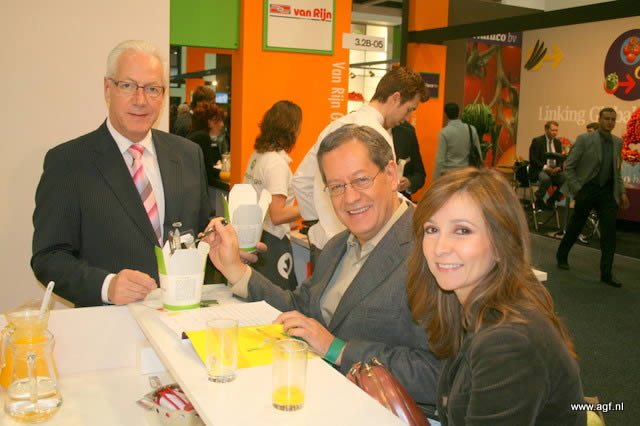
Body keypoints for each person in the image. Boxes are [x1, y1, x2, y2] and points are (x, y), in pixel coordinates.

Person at [207, 124, 441, 415]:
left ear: (392, 175)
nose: (350, 198)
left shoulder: (432, 251)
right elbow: (300, 311)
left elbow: (438, 373)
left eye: (361, 180)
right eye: (337, 186)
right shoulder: (337, 246)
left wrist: (338, 349)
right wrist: (235, 269)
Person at [31, 40, 228, 307]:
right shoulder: (68, 162)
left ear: (163, 95)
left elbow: (200, 229)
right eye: (128, 86)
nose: (140, 100)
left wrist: (225, 245)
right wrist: (106, 285)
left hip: (182, 314)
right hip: (110, 321)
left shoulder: (188, 154)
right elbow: (49, 257)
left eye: (152, 89)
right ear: (107, 89)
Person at [407, 167, 586, 425]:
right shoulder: (471, 302)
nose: (440, 248)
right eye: (432, 229)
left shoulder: (507, 342)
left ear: (502, 243)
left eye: (462, 231)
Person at [293, 66, 429, 261]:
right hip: (357, 251)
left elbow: (301, 181)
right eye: (409, 110)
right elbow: (387, 196)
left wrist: (324, 220)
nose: (407, 118)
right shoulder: (376, 134)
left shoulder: (335, 125)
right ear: (395, 98)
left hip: (322, 244)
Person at [556, 108, 630, 288]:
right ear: (600, 119)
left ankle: (606, 273)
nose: (610, 122)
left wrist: (622, 192)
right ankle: (562, 255)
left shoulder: (617, 142)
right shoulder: (584, 139)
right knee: (576, 225)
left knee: (609, 232)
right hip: (587, 189)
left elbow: (617, 172)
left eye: (613, 119)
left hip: (607, 193)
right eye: (607, 119)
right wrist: (578, 190)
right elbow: (569, 167)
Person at [243, 101, 302, 291]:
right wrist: (310, 207)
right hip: (272, 243)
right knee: (278, 298)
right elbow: (277, 215)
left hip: (254, 237)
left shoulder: (257, 156)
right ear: (292, 129)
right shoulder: (277, 164)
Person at [433, 103, 482, 179]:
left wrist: (435, 178)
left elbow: (440, 160)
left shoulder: (444, 132)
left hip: (449, 175)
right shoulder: (471, 129)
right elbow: (478, 154)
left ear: (445, 115)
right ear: (459, 113)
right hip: (467, 174)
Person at [528, 121, 567, 210]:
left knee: (567, 179)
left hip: (554, 171)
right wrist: (546, 168)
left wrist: (558, 167)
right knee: (546, 179)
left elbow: (560, 159)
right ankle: (539, 198)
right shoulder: (537, 141)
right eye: (552, 130)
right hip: (540, 169)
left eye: (556, 130)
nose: (555, 133)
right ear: (546, 129)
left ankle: (552, 200)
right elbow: (533, 159)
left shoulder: (557, 143)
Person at [185, 102, 225, 185]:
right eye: (219, 120)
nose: (222, 125)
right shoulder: (203, 137)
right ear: (210, 122)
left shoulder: (193, 134)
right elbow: (208, 173)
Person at [392, 122, 426, 200]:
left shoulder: (407, 132)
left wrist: (409, 182)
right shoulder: (366, 128)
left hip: (400, 201)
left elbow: (420, 174)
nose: (407, 118)